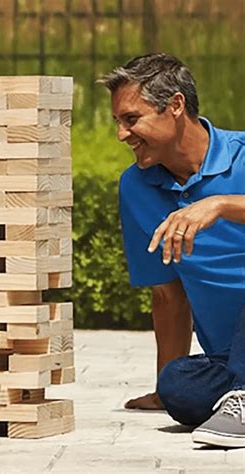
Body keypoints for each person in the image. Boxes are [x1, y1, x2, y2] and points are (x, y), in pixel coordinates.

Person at [98, 53, 245, 448]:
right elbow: (167, 294)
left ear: (176, 106)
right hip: (230, 359)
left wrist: (223, 204)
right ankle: (240, 396)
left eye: (132, 119)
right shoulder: (136, 187)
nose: (122, 134)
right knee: (179, 385)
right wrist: (164, 389)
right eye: (118, 122)